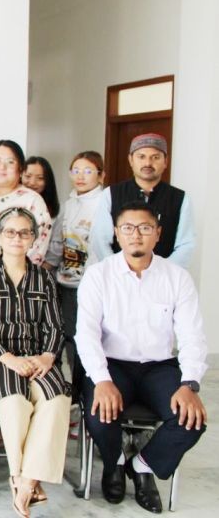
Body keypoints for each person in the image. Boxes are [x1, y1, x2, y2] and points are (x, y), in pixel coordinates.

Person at [75, 201, 208, 514]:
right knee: (99, 412)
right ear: (117, 235)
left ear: (157, 234)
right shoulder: (98, 276)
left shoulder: (177, 277)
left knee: (192, 421)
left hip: (158, 367)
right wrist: (102, 380)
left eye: (145, 228)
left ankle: (143, 465)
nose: (136, 235)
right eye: (128, 228)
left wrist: (189, 383)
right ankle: (115, 462)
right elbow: (87, 334)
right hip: (111, 364)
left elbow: (192, 336)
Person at [0, 207, 70, 518]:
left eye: (24, 232)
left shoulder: (44, 278)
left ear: (34, 238)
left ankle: (27, 480)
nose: (16, 237)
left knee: (56, 399)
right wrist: (9, 359)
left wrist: (47, 356)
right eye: (10, 231)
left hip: (39, 356)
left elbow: (55, 325)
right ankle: (21, 479)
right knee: (14, 402)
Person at [89, 133, 195, 268]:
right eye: (141, 156)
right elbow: (100, 240)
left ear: (166, 161)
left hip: (163, 280)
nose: (148, 163)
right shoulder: (110, 194)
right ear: (131, 160)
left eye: (155, 157)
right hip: (118, 278)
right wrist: (118, 269)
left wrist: (162, 272)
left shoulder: (180, 198)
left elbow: (186, 244)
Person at [43, 151, 104, 342]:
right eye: (75, 170)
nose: (80, 176)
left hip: (93, 284)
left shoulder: (104, 203)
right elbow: (57, 244)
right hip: (66, 282)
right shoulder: (69, 204)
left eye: (87, 171)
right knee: (69, 335)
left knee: (90, 337)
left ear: (101, 175)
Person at [0, 140, 52, 266]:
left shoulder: (33, 200)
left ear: (20, 168)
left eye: (10, 162)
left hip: (17, 280)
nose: (2, 167)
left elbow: (38, 247)